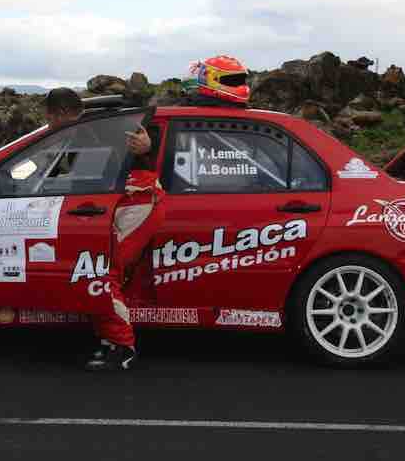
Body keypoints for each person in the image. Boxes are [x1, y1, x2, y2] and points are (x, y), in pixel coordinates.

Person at [43, 87, 163, 372]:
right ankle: (110, 340)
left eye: (49, 118)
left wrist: (149, 147)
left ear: (61, 113)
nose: (47, 125)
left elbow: (146, 146)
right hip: (120, 206)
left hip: (137, 203)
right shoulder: (81, 130)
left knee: (102, 273)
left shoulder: (100, 128)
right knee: (96, 272)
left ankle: (123, 347)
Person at [181, 55, 250, 108]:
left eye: (240, 80)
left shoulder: (183, 110)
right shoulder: (249, 114)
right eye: (232, 80)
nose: (240, 85)